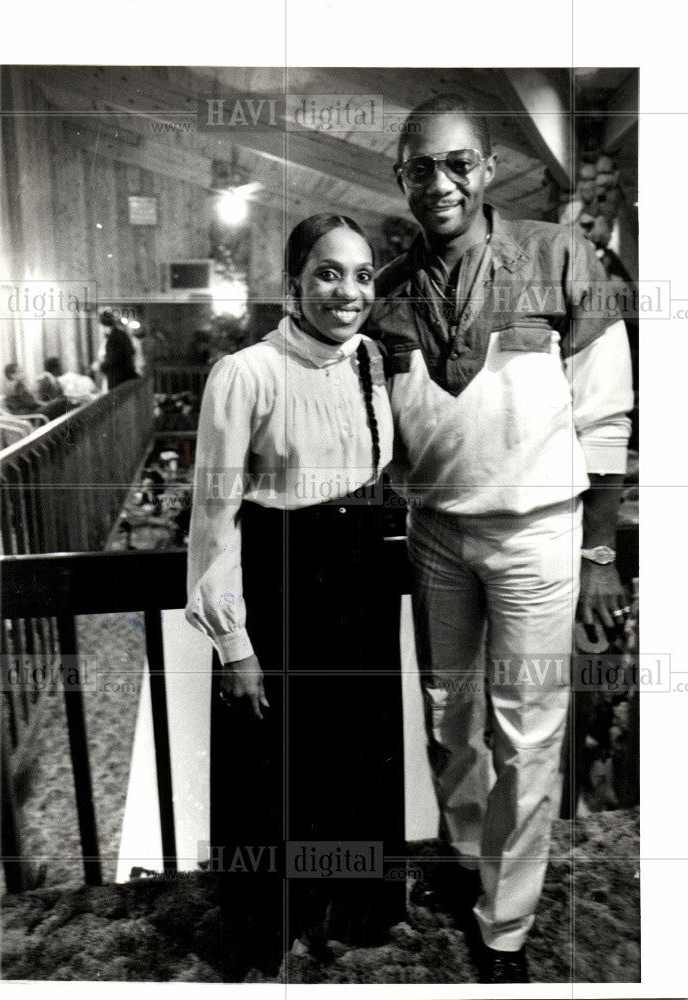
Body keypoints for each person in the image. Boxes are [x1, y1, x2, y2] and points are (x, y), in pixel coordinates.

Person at [372, 95, 634, 984]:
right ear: (399, 176)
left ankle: (506, 927)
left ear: (486, 170)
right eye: (419, 167)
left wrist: (598, 552)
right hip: (435, 531)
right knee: (450, 720)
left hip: (538, 533)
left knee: (527, 733)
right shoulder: (390, 290)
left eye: (456, 164)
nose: (438, 182)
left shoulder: (560, 255)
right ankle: (464, 861)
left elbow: (604, 415)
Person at [186, 215, 406, 980]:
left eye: (361, 275)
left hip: (362, 586)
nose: (347, 291)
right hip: (282, 589)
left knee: (354, 761)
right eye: (326, 273)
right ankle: (267, 924)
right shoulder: (243, 373)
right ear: (292, 283)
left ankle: (351, 911)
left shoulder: (374, 361)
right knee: (274, 766)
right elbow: (212, 518)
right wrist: (233, 643)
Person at [98, 309, 138, 390]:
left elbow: (112, 360)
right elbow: (132, 351)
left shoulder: (112, 339)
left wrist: (99, 366)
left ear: (102, 325)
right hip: (127, 375)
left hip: (116, 378)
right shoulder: (123, 334)